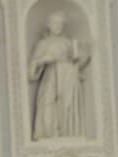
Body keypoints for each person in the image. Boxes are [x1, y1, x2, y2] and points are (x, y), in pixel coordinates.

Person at [29, 11, 89, 141]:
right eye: (55, 23)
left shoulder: (68, 42)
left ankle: (69, 133)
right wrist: (44, 60)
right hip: (51, 75)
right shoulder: (43, 43)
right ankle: (49, 134)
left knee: (68, 104)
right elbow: (32, 70)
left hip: (68, 76)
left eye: (60, 23)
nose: (58, 26)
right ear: (49, 25)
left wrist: (80, 59)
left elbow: (81, 60)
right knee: (47, 102)